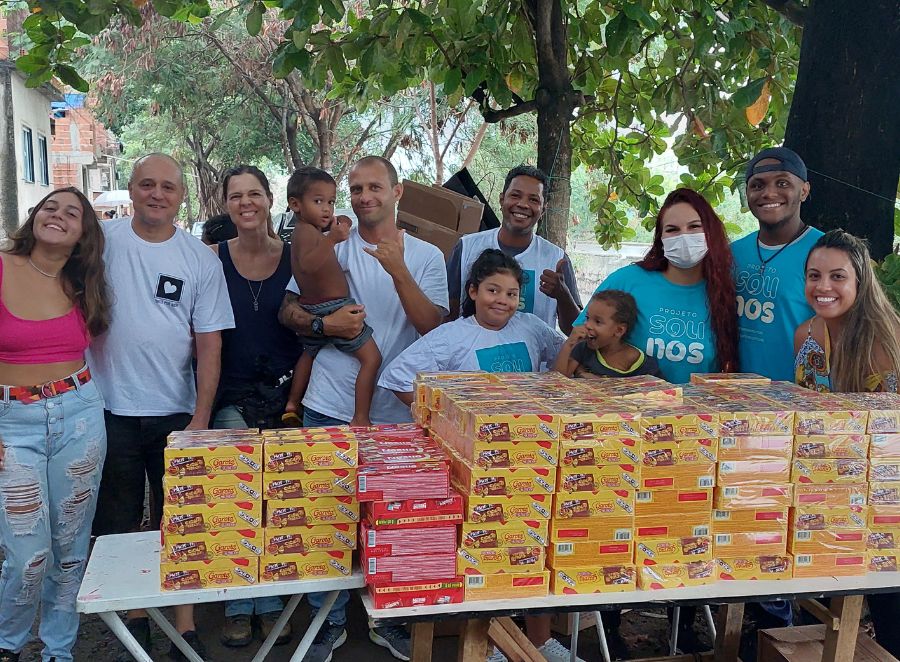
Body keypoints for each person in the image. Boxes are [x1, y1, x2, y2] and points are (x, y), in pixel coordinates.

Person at [278, 155, 447, 662]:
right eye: (355, 188)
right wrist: (322, 326)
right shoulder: (332, 243)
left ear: (398, 192)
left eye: (374, 186)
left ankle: (388, 620)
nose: (364, 197)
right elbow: (288, 310)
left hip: (398, 414)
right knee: (321, 518)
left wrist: (397, 270)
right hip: (328, 404)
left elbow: (434, 329)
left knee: (396, 524)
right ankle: (326, 624)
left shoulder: (426, 256)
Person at [89, 153, 235, 662]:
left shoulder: (200, 259)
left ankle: (185, 626)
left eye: (167, 187)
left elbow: (210, 344)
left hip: (177, 413)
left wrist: (201, 418)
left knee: (182, 519)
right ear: (131, 189)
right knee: (120, 524)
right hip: (108, 409)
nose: (157, 194)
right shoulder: (101, 243)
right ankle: (135, 620)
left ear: (181, 196)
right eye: (147, 184)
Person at [0, 188, 110, 662]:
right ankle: (7, 642)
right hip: (11, 423)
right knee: (27, 553)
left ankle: (58, 650)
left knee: (70, 549)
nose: (58, 216)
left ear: (83, 234)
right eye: (50, 207)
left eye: (72, 213)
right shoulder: (3, 265)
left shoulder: (83, 284)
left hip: (78, 414)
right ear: (34, 216)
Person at [793, 229, 900, 656]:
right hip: (825, 491)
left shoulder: (886, 343)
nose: (824, 286)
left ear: (859, 281)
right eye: (814, 275)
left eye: (837, 276)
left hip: (885, 497)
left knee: (889, 610)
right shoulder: (805, 336)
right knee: (818, 611)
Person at [212, 165, 299, 647]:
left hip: (287, 397)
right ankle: (238, 604)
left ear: (269, 199)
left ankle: (271, 601)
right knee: (235, 498)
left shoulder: (296, 258)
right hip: (230, 395)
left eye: (254, 194)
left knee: (279, 500)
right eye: (236, 196)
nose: (246, 203)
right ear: (226, 205)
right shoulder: (211, 258)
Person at [575, 188, 739, 383]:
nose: (684, 236)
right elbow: (578, 340)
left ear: (710, 231)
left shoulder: (724, 293)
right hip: (627, 402)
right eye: (672, 230)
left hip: (694, 403)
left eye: (694, 226)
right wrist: (589, 378)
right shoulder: (626, 281)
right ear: (660, 239)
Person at [380, 249, 565, 402]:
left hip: (525, 430)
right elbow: (399, 377)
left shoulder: (531, 326)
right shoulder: (451, 336)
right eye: (493, 290)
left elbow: (566, 355)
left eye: (511, 294)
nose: (502, 300)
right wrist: (446, 413)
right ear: (474, 291)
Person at [284, 166, 381, 426]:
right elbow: (307, 264)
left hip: (313, 306)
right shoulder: (306, 232)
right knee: (372, 359)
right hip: (332, 307)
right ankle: (361, 417)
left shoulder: (311, 230)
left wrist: (340, 225)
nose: (326, 209)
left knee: (309, 352)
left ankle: (292, 402)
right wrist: (332, 240)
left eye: (331, 202)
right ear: (295, 204)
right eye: (318, 202)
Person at [446, 165, 582, 333]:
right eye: (515, 195)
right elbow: (448, 316)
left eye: (534, 200)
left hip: (533, 352)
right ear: (502, 199)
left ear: (543, 209)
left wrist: (563, 295)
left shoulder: (556, 259)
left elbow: (575, 331)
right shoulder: (467, 247)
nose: (523, 204)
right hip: (472, 349)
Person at [732, 146, 823, 382]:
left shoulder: (827, 252)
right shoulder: (732, 253)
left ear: (804, 191)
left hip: (802, 395)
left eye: (782, 183)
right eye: (757, 185)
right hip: (735, 394)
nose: (769, 193)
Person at [555, 289, 662, 379]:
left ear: (619, 330)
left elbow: (659, 391)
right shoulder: (583, 349)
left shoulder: (643, 364)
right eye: (587, 318)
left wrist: (596, 380)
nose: (587, 325)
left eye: (598, 321)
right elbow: (558, 381)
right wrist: (569, 344)